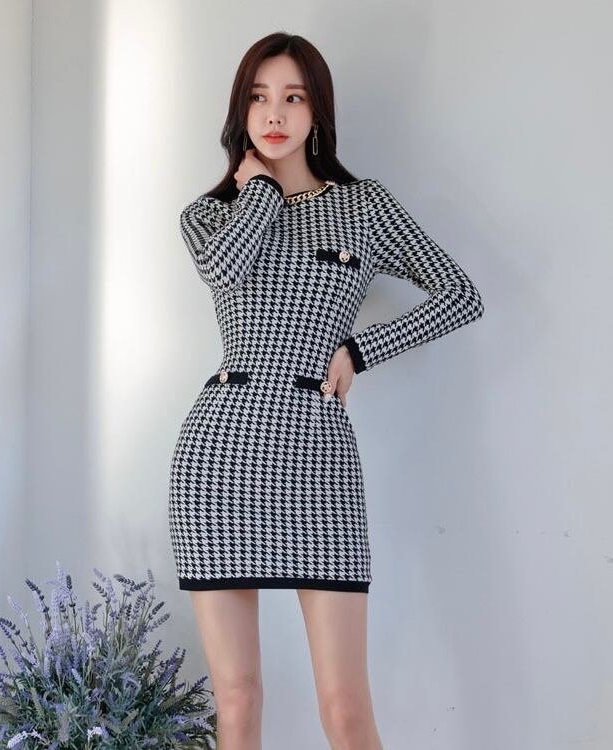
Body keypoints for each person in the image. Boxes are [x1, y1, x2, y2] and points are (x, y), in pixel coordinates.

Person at [168, 32, 484, 750]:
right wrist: (259, 192)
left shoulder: (363, 207)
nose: (275, 113)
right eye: (259, 98)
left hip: (317, 454)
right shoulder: (209, 215)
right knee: (237, 699)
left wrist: (361, 350)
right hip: (219, 456)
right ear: (240, 112)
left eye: (293, 97)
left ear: (318, 112)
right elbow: (223, 272)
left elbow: (459, 294)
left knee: (344, 707)